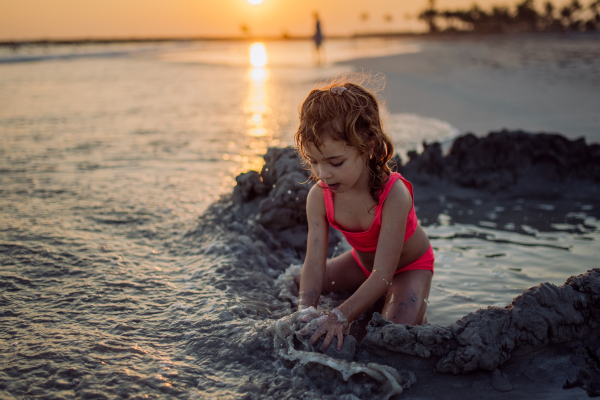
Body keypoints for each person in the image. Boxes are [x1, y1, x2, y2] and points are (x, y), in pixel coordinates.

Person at [294, 81, 434, 353]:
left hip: (407, 268)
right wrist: (306, 311)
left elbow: (383, 273)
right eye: (313, 162)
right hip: (362, 263)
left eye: (335, 162)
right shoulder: (319, 197)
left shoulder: (394, 195)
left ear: (368, 146)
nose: (323, 174)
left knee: (391, 337)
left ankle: (414, 309)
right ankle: (371, 299)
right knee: (299, 285)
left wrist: (340, 315)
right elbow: (313, 263)